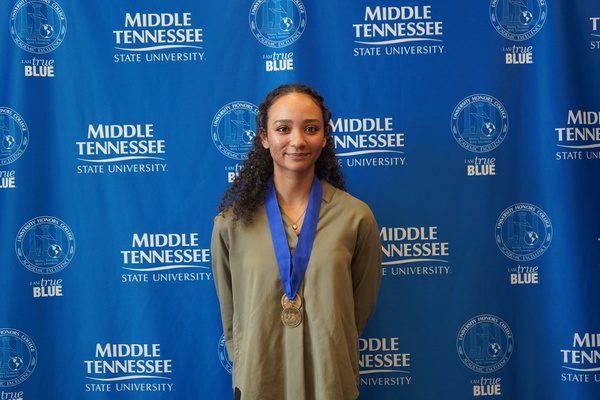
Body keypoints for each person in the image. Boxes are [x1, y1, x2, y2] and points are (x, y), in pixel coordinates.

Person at [211, 84, 382, 400]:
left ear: (325, 138)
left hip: (329, 380)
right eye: (283, 129)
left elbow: (359, 307)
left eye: (311, 128)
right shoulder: (232, 224)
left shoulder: (356, 217)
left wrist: (329, 342)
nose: (298, 140)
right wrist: (245, 359)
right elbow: (230, 310)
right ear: (264, 137)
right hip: (259, 380)